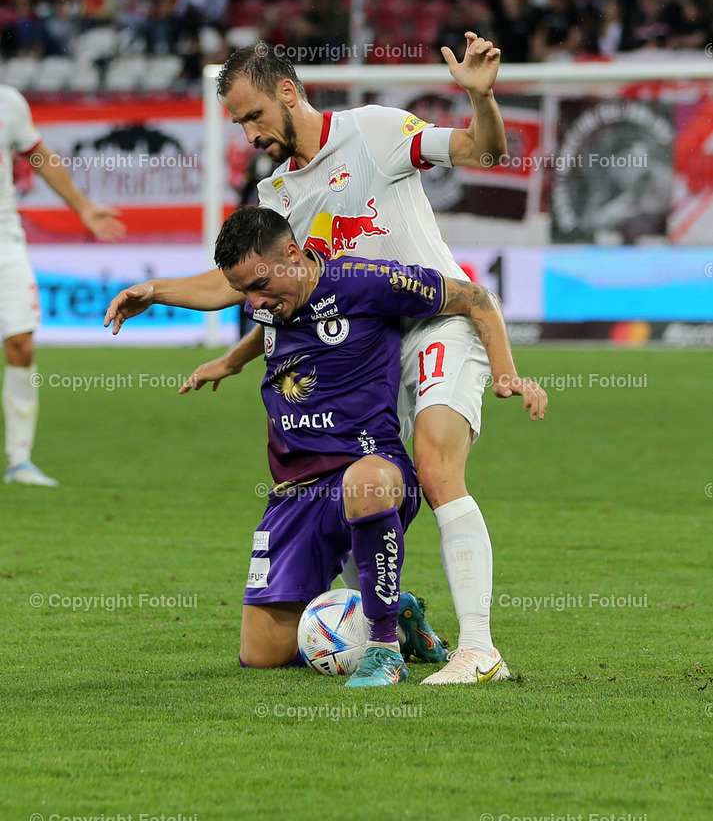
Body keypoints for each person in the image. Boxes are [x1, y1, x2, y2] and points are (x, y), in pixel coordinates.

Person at [104, 37, 520, 685]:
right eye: (239, 123)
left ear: (288, 92)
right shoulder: (276, 193)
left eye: (254, 115)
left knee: (437, 467)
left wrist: (481, 97)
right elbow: (247, 282)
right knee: (356, 477)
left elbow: (481, 151)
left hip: (439, 318)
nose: (249, 133)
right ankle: (394, 617)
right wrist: (159, 292)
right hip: (370, 345)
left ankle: (479, 649)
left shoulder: (374, 132)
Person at [195, 205, 546, 686]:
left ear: (293, 254)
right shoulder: (273, 302)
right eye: (244, 292)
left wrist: (506, 375)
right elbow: (267, 323)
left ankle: (383, 649)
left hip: (372, 471)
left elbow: (476, 298)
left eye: (260, 285)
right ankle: (397, 614)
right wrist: (232, 360)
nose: (254, 302)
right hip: (294, 493)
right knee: (262, 655)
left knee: (367, 482)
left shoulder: (365, 282)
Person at [2, 85, 125, 487]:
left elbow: (38, 155)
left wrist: (83, 207)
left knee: (21, 342)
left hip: (5, 239)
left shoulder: (8, 103)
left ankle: (20, 460)